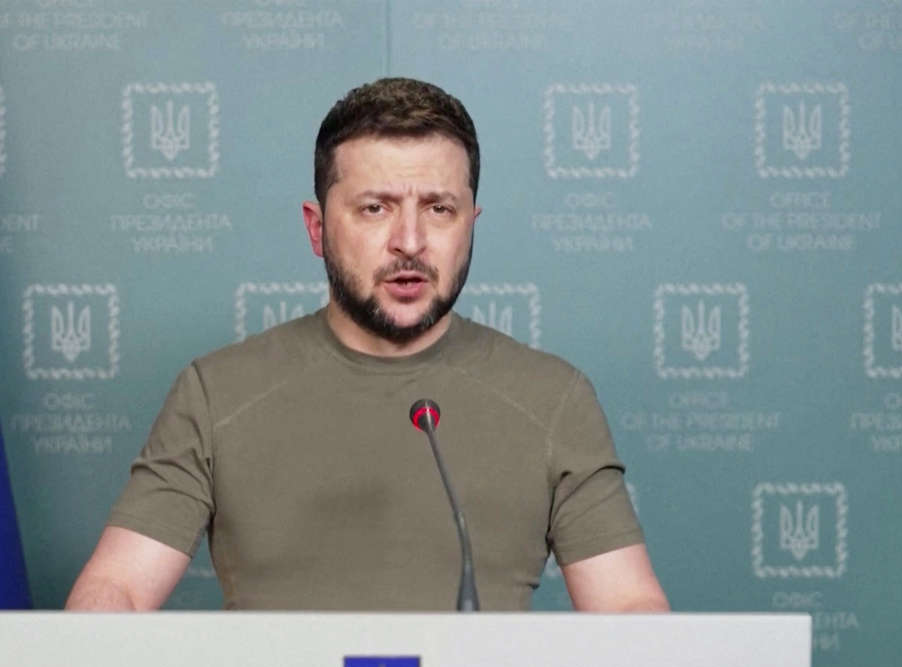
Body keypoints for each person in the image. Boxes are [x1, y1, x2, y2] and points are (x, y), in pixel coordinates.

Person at [66, 78, 668, 613]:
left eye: (439, 208)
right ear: (317, 229)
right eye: (375, 208)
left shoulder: (553, 397)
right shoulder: (215, 392)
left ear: (471, 225)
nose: (410, 241)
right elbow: (119, 586)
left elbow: (628, 607)